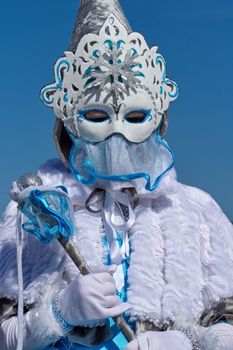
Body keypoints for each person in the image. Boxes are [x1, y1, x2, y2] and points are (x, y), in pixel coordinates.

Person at [0, 0, 233, 349]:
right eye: (96, 116)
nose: (116, 133)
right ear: (69, 120)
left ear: (157, 117)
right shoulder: (37, 208)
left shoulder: (197, 213)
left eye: (135, 117)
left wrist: (185, 341)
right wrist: (59, 313)